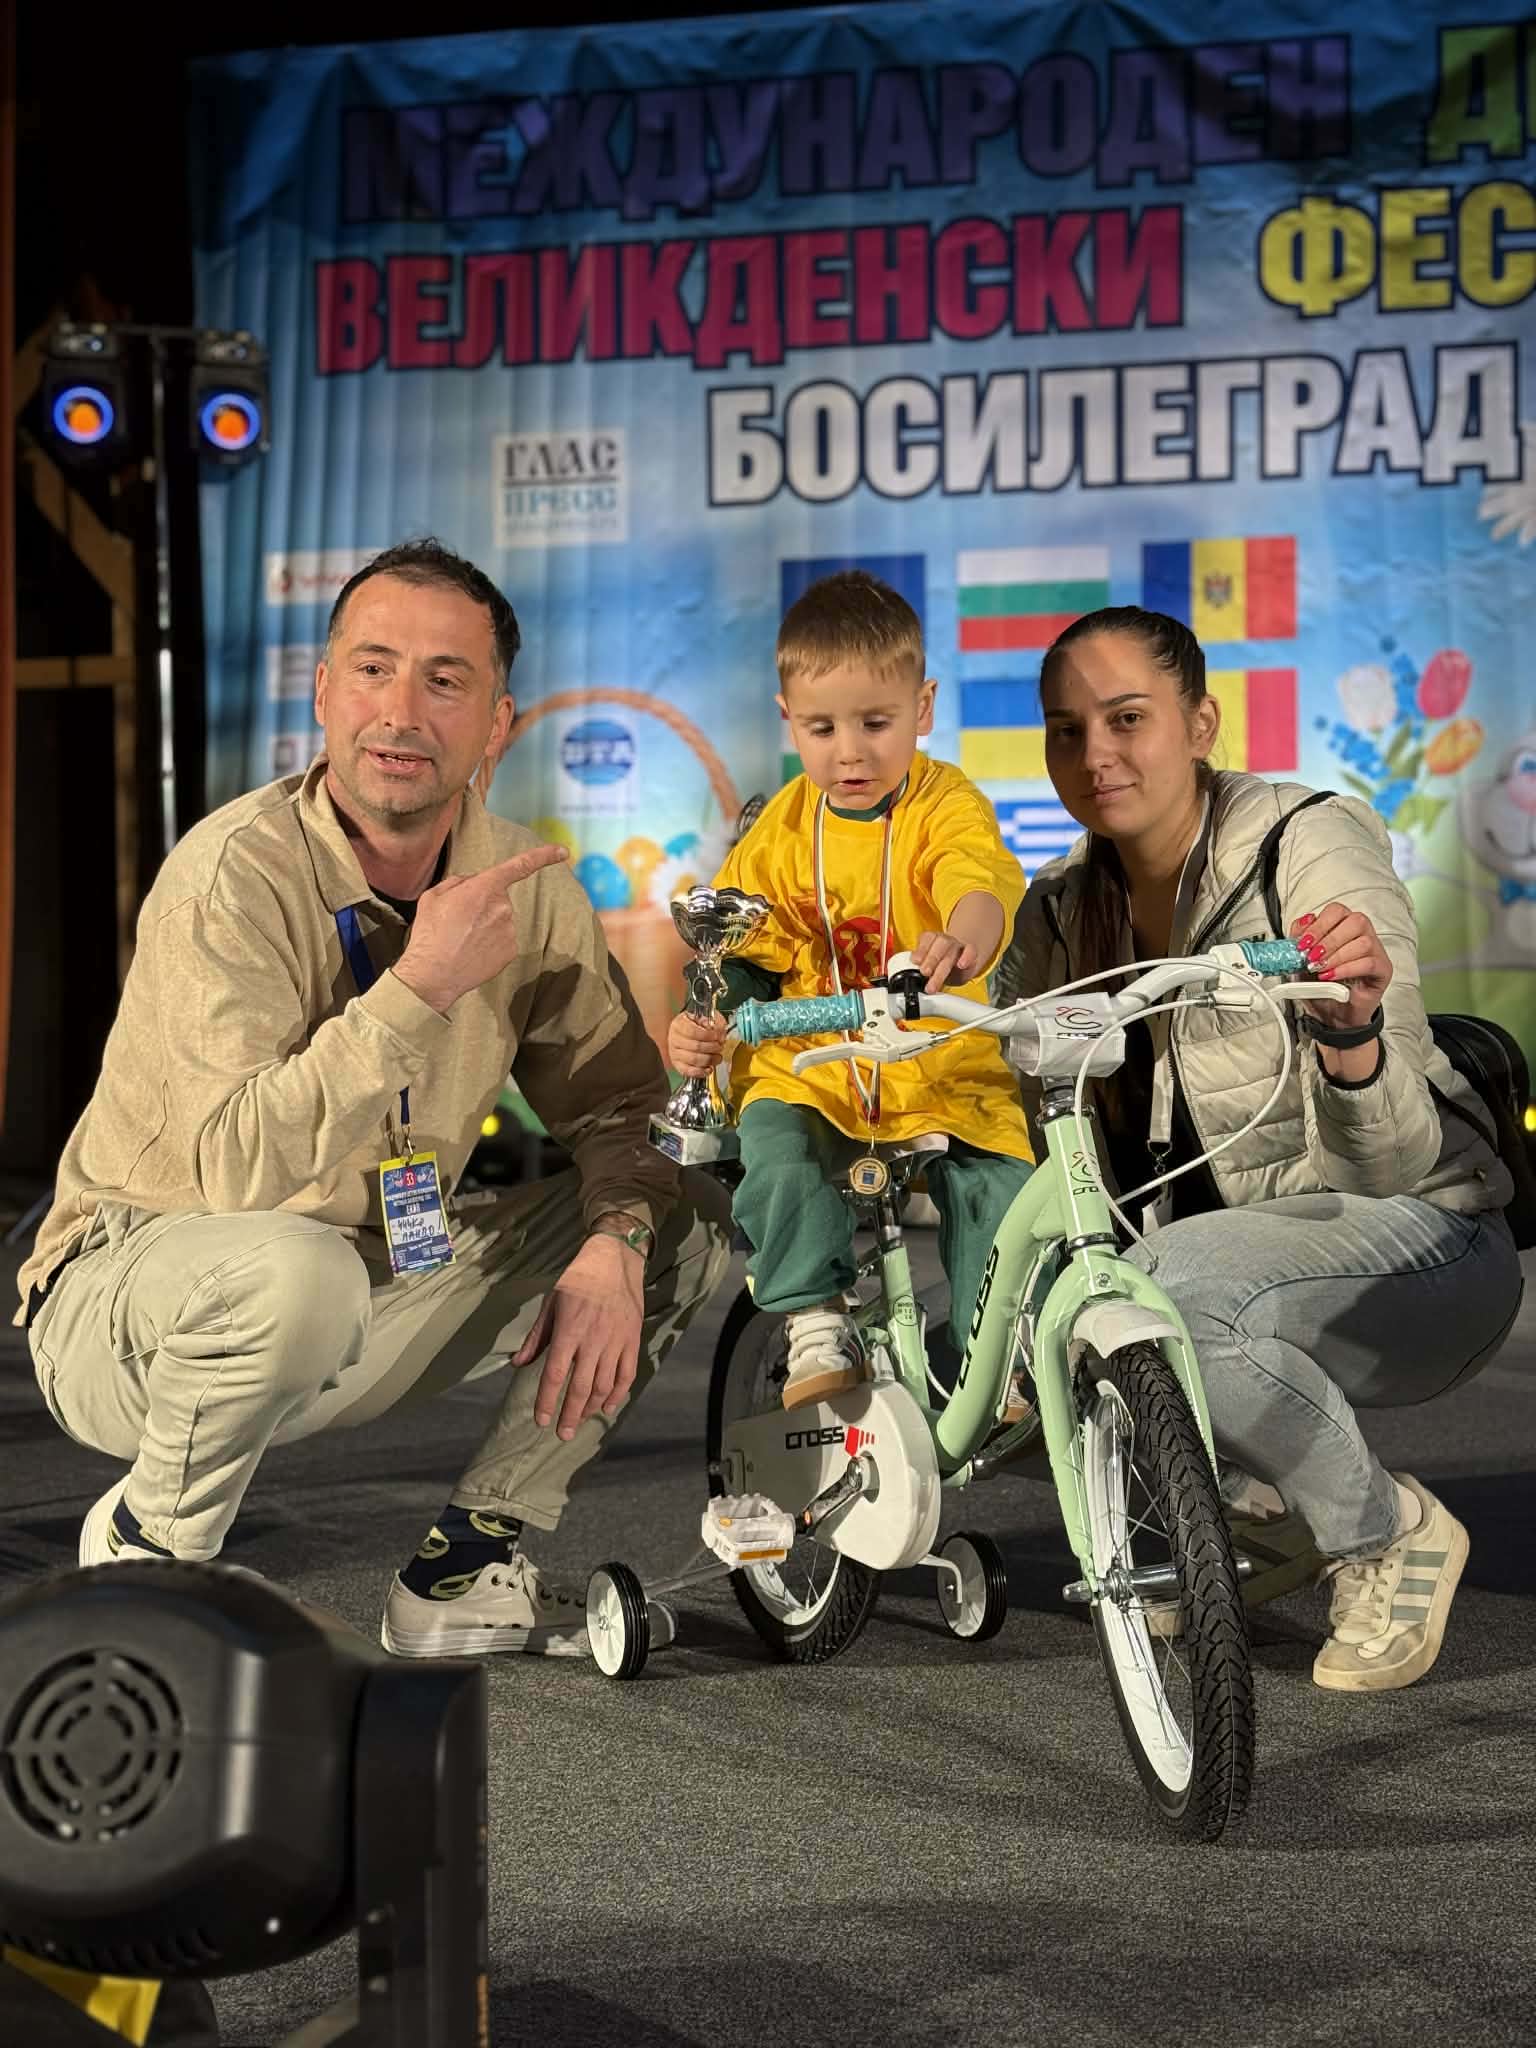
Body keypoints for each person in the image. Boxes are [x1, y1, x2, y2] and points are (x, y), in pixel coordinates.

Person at [17, 538, 731, 1659]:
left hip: (376, 1280)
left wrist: (617, 1242)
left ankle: (464, 1568)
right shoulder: (232, 874)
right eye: (372, 669)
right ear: (323, 692)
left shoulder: (525, 887)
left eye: (445, 680)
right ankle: (151, 1550)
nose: (400, 712)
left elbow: (620, 1110)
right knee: (294, 1273)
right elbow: (234, 1170)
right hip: (135, 1302)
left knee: (680, 1216)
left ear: (497, 724)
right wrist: (415, 990)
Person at [994, 605, 1524, 1693]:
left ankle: (1385, 1532)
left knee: (1161, 1294)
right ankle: (1258, 1516)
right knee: (1030, 1330)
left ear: (1201, 725)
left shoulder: (1305, 843)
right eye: (1065, 730)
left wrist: (1351, 1036)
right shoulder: (1055, 912)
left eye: (1127, 718)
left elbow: (1394, 1164)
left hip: (1425, 1243)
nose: (1094, 755)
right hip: (1224, 1267)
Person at [667, 569, 1034, 1409]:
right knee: (775, 1142)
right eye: (822, 727)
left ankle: (997, 1345)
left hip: (938, 1052)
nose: (850, 752)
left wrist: (963, 938)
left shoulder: (947, 801)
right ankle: (814, 1317)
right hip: (816, 1061)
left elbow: (978, 883)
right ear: (787, 718)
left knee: (998, 1179)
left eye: (876, 722)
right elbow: (740, 954)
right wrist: (708, 1020)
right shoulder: (778, 831)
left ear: (923, 707)